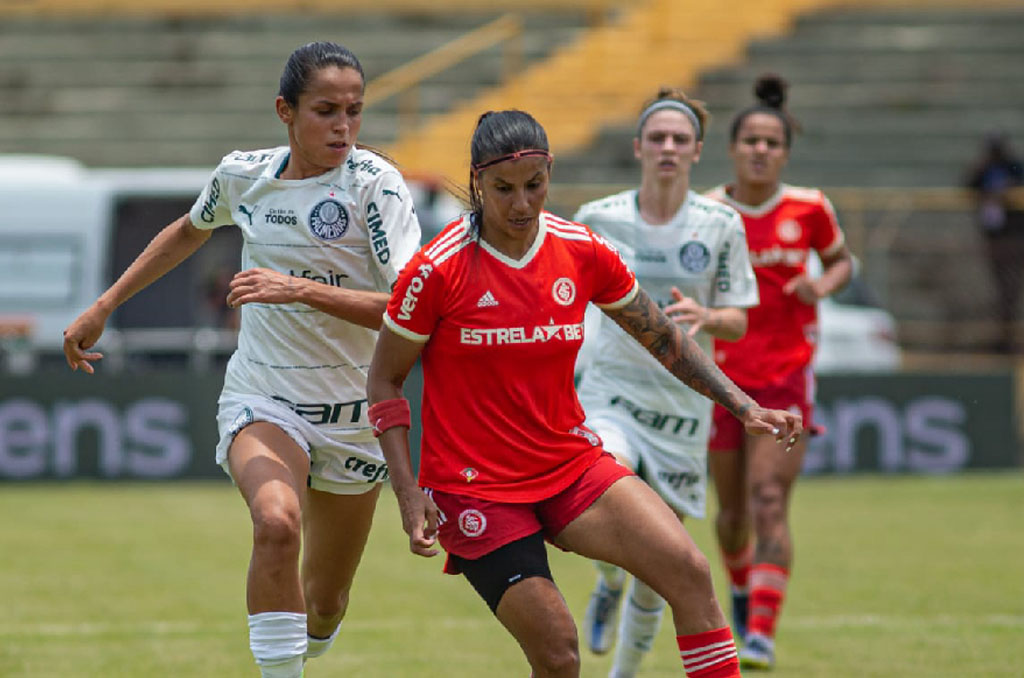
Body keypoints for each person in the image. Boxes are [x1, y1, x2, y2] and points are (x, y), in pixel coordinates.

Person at [365, 109, 801, 678]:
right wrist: (405, 491)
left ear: (550, 173)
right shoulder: (437, 269)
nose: (521, 204)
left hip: (568, 465)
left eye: (534, 186)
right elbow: (384, 379)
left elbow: (665, 338)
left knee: (690, 572)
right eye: (503, 189)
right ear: (477, 181)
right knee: (559, 652)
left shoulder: (581, 250)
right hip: (477, 489)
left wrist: (743, 406)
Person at [61, 41, 422, 678]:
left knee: (325, 605)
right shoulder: (242, 174)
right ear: (286, 110)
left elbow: (409, 307)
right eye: (326, 111)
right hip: (265, 398)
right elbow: (188, 230)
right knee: (277, 523)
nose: (343, 126)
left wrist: (299, 288)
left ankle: (312, 633)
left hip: (355, 418)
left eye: (355, 112)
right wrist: (105, 304)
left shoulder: (377, 187)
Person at [572, 87, 758, 677]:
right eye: (658, 138)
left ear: (698, 151)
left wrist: (708, 318)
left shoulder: (721, 224)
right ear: (638, 148)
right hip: (610, 395)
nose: (668, 148)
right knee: (610, 490)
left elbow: (739, 314)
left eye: (680, 139)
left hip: (682, 406)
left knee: (664, 563)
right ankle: (606, 579)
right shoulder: (597, 218)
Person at [705, 74, 853, 670]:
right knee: (734, 513)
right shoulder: (710, 212)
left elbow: (842, 261)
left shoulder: (810, 208)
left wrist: (820, 283)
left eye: (772, 142)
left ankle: (761, 634)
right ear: (733, 148)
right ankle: (742, 593)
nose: (761, 150)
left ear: (785, 152)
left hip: (786, 378)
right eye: (751, 141)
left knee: (769, 500)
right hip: (719, 381)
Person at [964, 132, 1024, 353]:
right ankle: (1004, 334)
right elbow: (968, 185)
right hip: (994, 237)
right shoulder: (985, 169)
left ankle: (1009, 334)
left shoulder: (1014, 167)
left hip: (1014, 236)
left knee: (1011, 288)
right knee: (1002, 288)